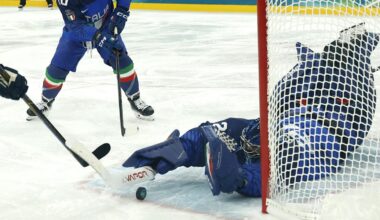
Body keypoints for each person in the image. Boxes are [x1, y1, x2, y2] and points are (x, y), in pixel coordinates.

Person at [122, 23, 379, 197]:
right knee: (221, 131)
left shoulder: (360, 84)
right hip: (274, 122)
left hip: (320, 134)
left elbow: (356, 125)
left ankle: (240, 177)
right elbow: (282, 94)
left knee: (285, 158)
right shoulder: (312, 65)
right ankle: (173, 152)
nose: (337, 49)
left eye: (345, 47)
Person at [26, 0, 154, 121]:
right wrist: (98, 37)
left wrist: (122, 10)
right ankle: (46, 101)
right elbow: (75, 26)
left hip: (107, 27)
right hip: (77, 36)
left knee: (122, 61)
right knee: (57, 70)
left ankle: (135, 99)